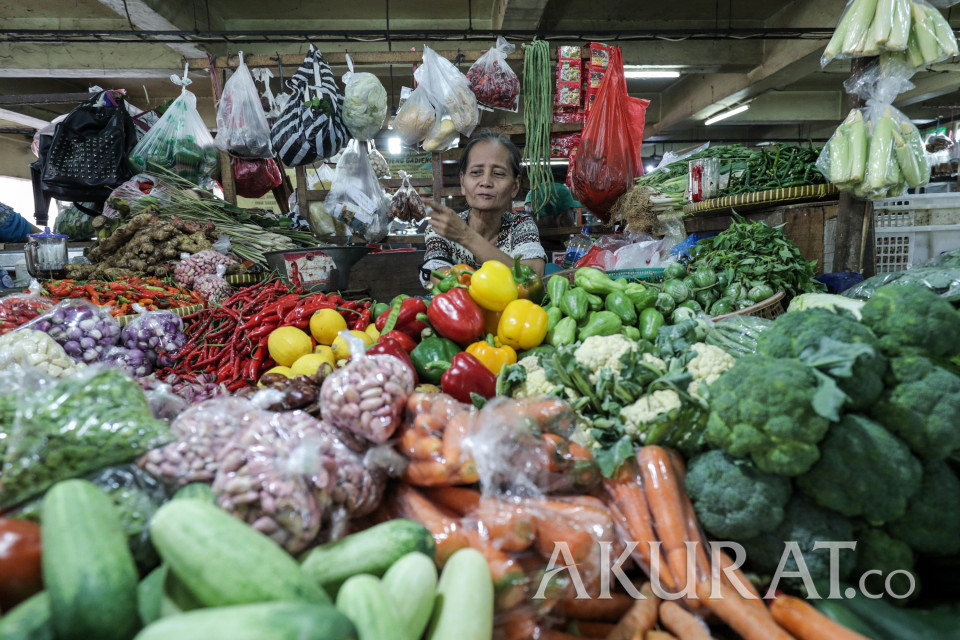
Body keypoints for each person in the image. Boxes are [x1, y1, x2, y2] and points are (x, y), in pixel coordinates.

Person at [419, 131, 546, 288]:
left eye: (498, 174)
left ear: (515, 186)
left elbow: (533, 280)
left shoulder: (521, 225)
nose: (486, 182)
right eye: (476, 172)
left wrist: (467, 237)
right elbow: (440, 281)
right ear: (462, 182)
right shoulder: (442, 228)